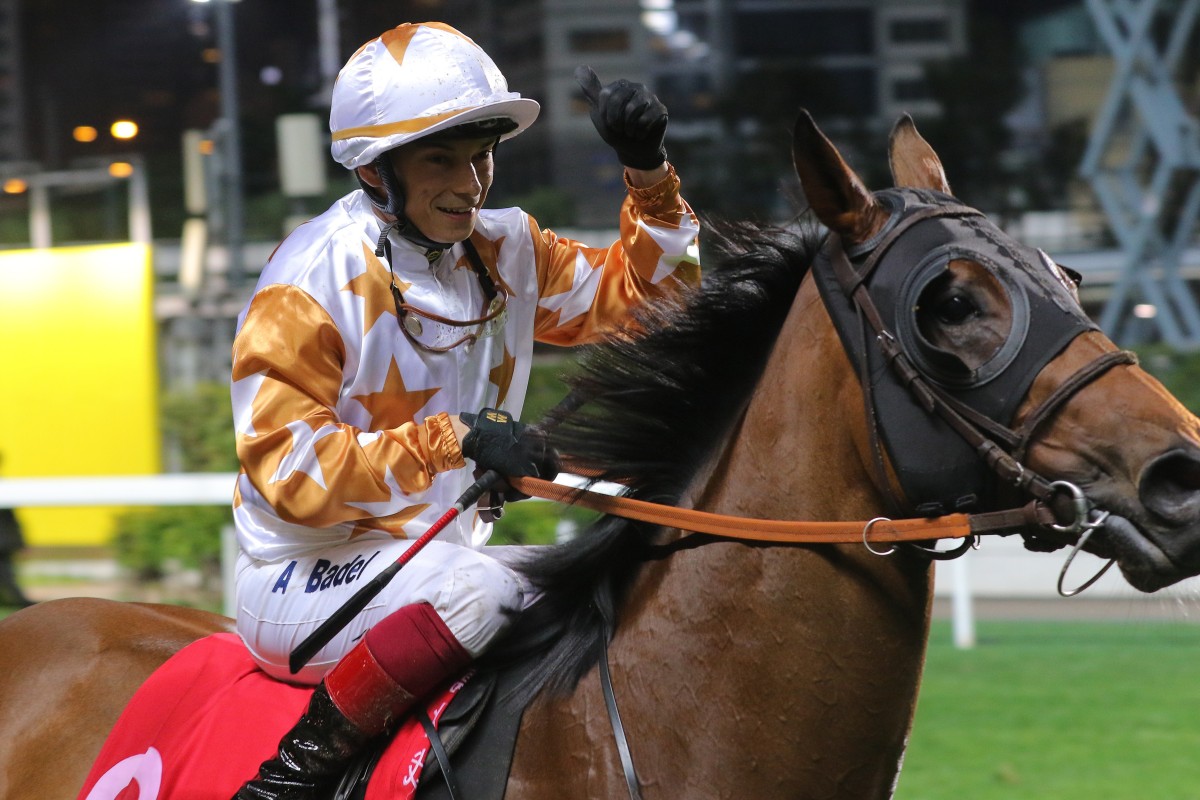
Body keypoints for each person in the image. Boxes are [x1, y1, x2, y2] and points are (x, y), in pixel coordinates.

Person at [228, 21, 700, 800]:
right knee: (480, 591)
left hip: (434, 562)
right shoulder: (308, 280)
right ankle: (285, 783)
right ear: (374, 170)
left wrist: (649, 175)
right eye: (440, 160)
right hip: (301, 577)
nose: (471, 183)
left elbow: (658, 303)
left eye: (481, 155)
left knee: (606, 584)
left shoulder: (507, 249)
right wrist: (459, 440)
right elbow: (288, 474)